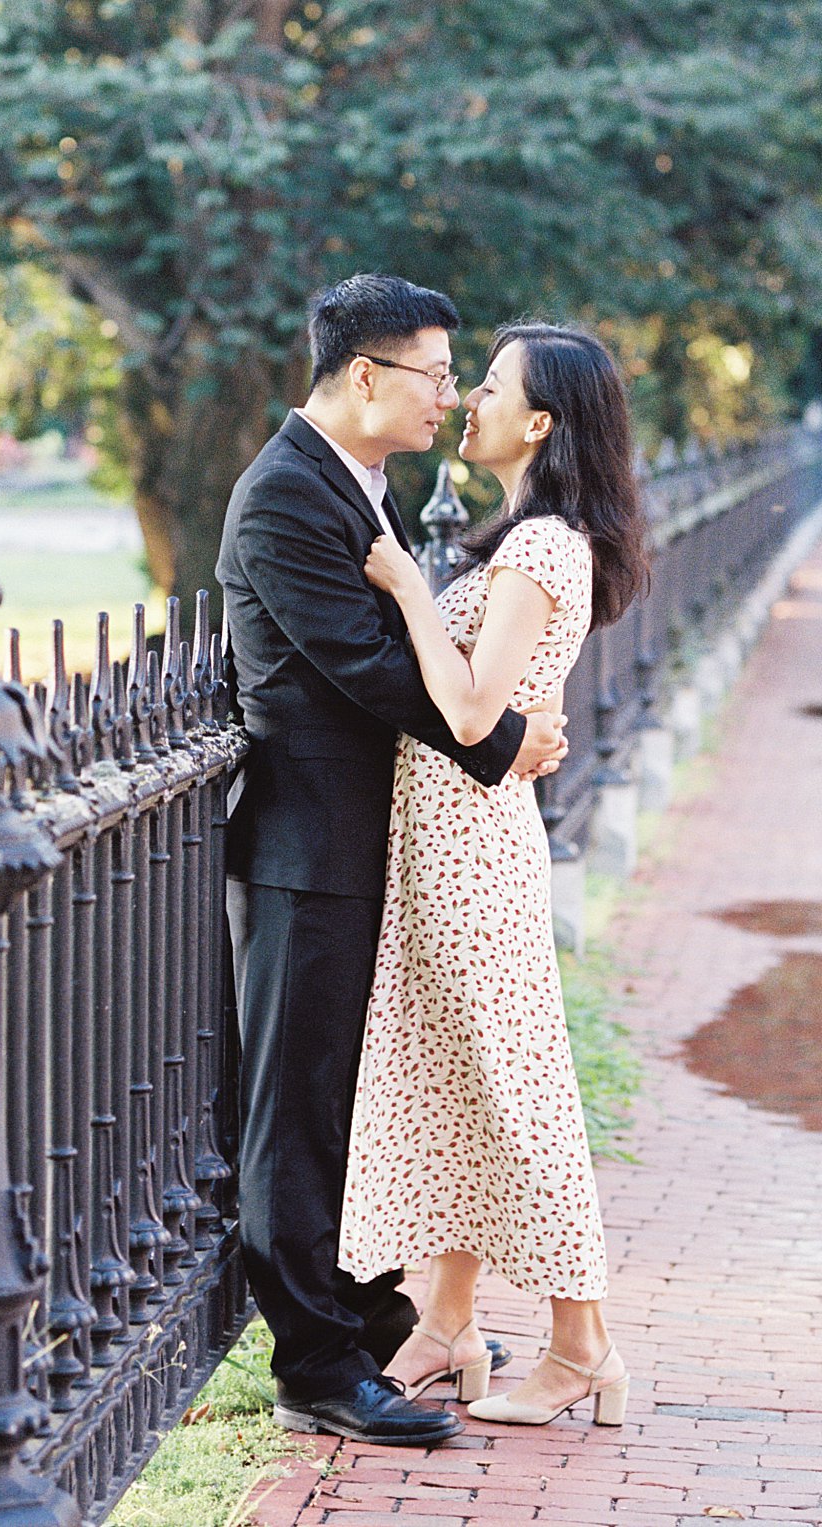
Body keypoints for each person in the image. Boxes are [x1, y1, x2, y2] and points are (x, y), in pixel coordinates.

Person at [215, 274, 571, 1445]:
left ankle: (366, 1317)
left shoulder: (363, 483)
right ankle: (314, 1365)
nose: (446, 397)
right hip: (306, 850)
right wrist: (504, 738)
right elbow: (362, 668)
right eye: (430, 373)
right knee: (295, 1110)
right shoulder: (281, 496)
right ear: (363, 374)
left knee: (351, 1099)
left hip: (377, 844)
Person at [346, 323, 646, 1428]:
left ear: (539, 423)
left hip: (472, 857)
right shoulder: (520, 540)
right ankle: (446, 1325)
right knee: (459, 1089)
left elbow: (471, 709)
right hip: (444, 847)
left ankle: (580, 1347)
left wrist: (405, 587)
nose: (463, 399)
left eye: (486, 386)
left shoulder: (541, 549)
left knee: (519, 1100)